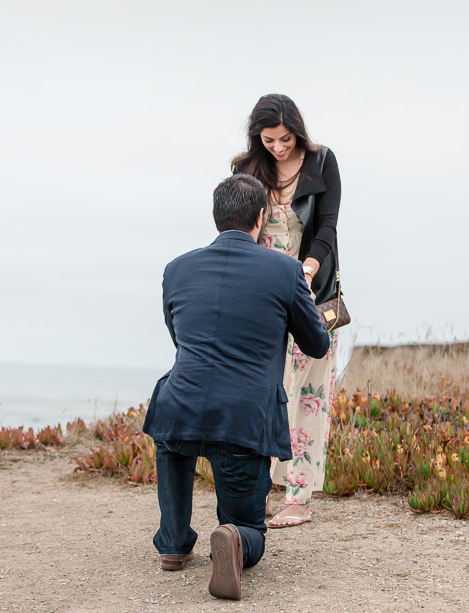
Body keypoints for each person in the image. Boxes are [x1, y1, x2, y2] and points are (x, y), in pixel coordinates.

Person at [142, 174, 330, 600]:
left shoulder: (176, 268)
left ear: (214, 215)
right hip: (242, 419)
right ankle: (234, 537)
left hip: (179, 404)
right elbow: (317, 345)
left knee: (172, 439)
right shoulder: (285, 270)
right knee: (247, 527)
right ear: (261, 218)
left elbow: (180, 337)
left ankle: (173, 543)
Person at [231, 94, 343, 528]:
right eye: (269, 140)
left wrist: (307, 270)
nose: (278, 147)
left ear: (297, 131)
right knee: (262, 392)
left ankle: (299, 498)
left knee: (309, 395)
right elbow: (238, 228)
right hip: (260, 294)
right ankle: (257, 491)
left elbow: (327, 225)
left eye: (285, 139)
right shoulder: (245, 170)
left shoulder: (321, 162)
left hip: (310, 291)